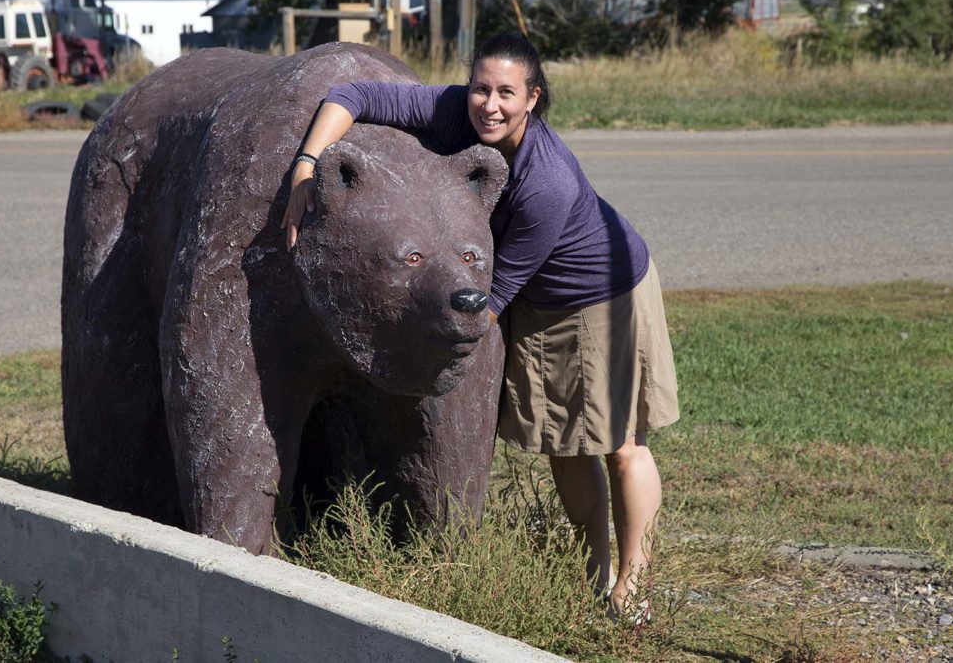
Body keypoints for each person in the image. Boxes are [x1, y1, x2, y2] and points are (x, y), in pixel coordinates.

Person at [282, 33, 679, 620]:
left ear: (534, 98)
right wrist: (306, 165)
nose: (490, 105)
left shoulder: (546, 183)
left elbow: (493, 298)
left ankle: (634, 584)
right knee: (565, 445)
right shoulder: (455, 111)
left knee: (621, 445)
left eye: (507, 94)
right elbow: (353, 94)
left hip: (601, 297)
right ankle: (597, 575)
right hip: (540, 305)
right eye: (481, 89)